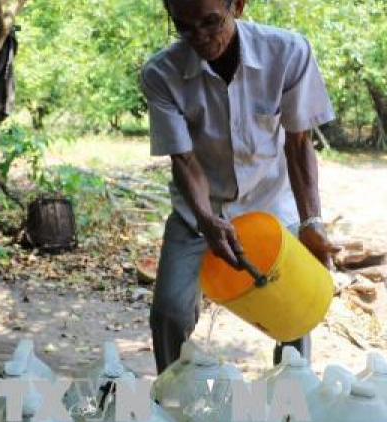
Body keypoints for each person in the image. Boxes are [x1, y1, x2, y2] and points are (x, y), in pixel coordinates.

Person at [140, 0, 340, 374]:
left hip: (271, 208)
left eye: (211, 22)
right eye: (184, 26)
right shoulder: (161, 73)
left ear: (239, 6)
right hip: (199, 211)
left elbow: (298, 145)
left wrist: (312, 221)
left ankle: (290, 398)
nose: (199, 37)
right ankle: (171, 393)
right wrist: (205, 219)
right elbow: (185, 161)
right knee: (169, 311)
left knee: (295, 313)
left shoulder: (288, 52)